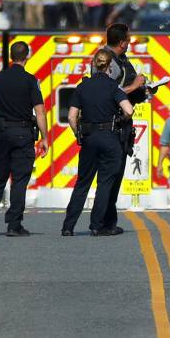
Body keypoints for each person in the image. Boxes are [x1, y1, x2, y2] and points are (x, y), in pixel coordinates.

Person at [61, 50, 134, 236]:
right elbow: (129, 110)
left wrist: (79, 134)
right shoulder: (113, 86)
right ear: (110, 66)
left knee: (82, 183)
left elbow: (71, 116)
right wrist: (121, 119)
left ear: (93, 64)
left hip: (89, 138)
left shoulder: (82, 87)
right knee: (104, 183)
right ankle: (96, 225)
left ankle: (68, 227)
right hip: (109, 138)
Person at [0, 41, 49, 237]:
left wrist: (2, 111)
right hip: (22, 133)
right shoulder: (30, 80)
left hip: (1, 134)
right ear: (26, 56)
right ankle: (14, 224)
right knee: (19, 180)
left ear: (11, 56)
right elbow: (40, 111)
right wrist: (44, 137)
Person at [99, 23, 148, 231]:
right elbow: (107, 93)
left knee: (116, 174)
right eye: (128, 40)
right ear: (121, 42)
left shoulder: (122, 59)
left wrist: (143, 91)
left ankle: (109, 221)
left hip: (122, 126)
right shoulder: (107, 61)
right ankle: (103, 222)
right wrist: (135, 86)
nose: (129, 43)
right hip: (111, 126)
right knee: (110, 175)